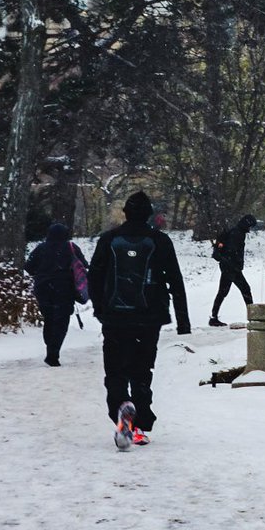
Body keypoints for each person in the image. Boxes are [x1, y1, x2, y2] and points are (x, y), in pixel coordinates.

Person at [87, 191, 190, 446]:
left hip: (115, 318)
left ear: (125, 213)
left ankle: (122, 407)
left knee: (115, 370)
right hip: (149, 318)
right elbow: (175, 281)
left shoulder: (109, 240)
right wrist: (182, 320)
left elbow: (94, 277)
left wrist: (100, 309)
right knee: (142, 370)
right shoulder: (161, 241)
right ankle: (140, 422)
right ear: (149, 215)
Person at [25, 222, 85, 367]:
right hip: (65, 289)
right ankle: (53, 352)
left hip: (43, 288)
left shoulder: (41, 248)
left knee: (49, 318)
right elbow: (83, 265)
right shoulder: (71, 248)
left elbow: (28, 267)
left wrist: (41, 274)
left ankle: (50, 347)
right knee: (61, 321)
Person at [209, 214, 257, 326]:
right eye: (250, 226)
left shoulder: (236, 232)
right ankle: (253, 317)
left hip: (230, 266)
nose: (250, 229)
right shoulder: (237, 234)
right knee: (242, 289)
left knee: (225, 291)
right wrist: (235, 265)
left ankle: (214, 317)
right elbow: (232, 251)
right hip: (230, 267)